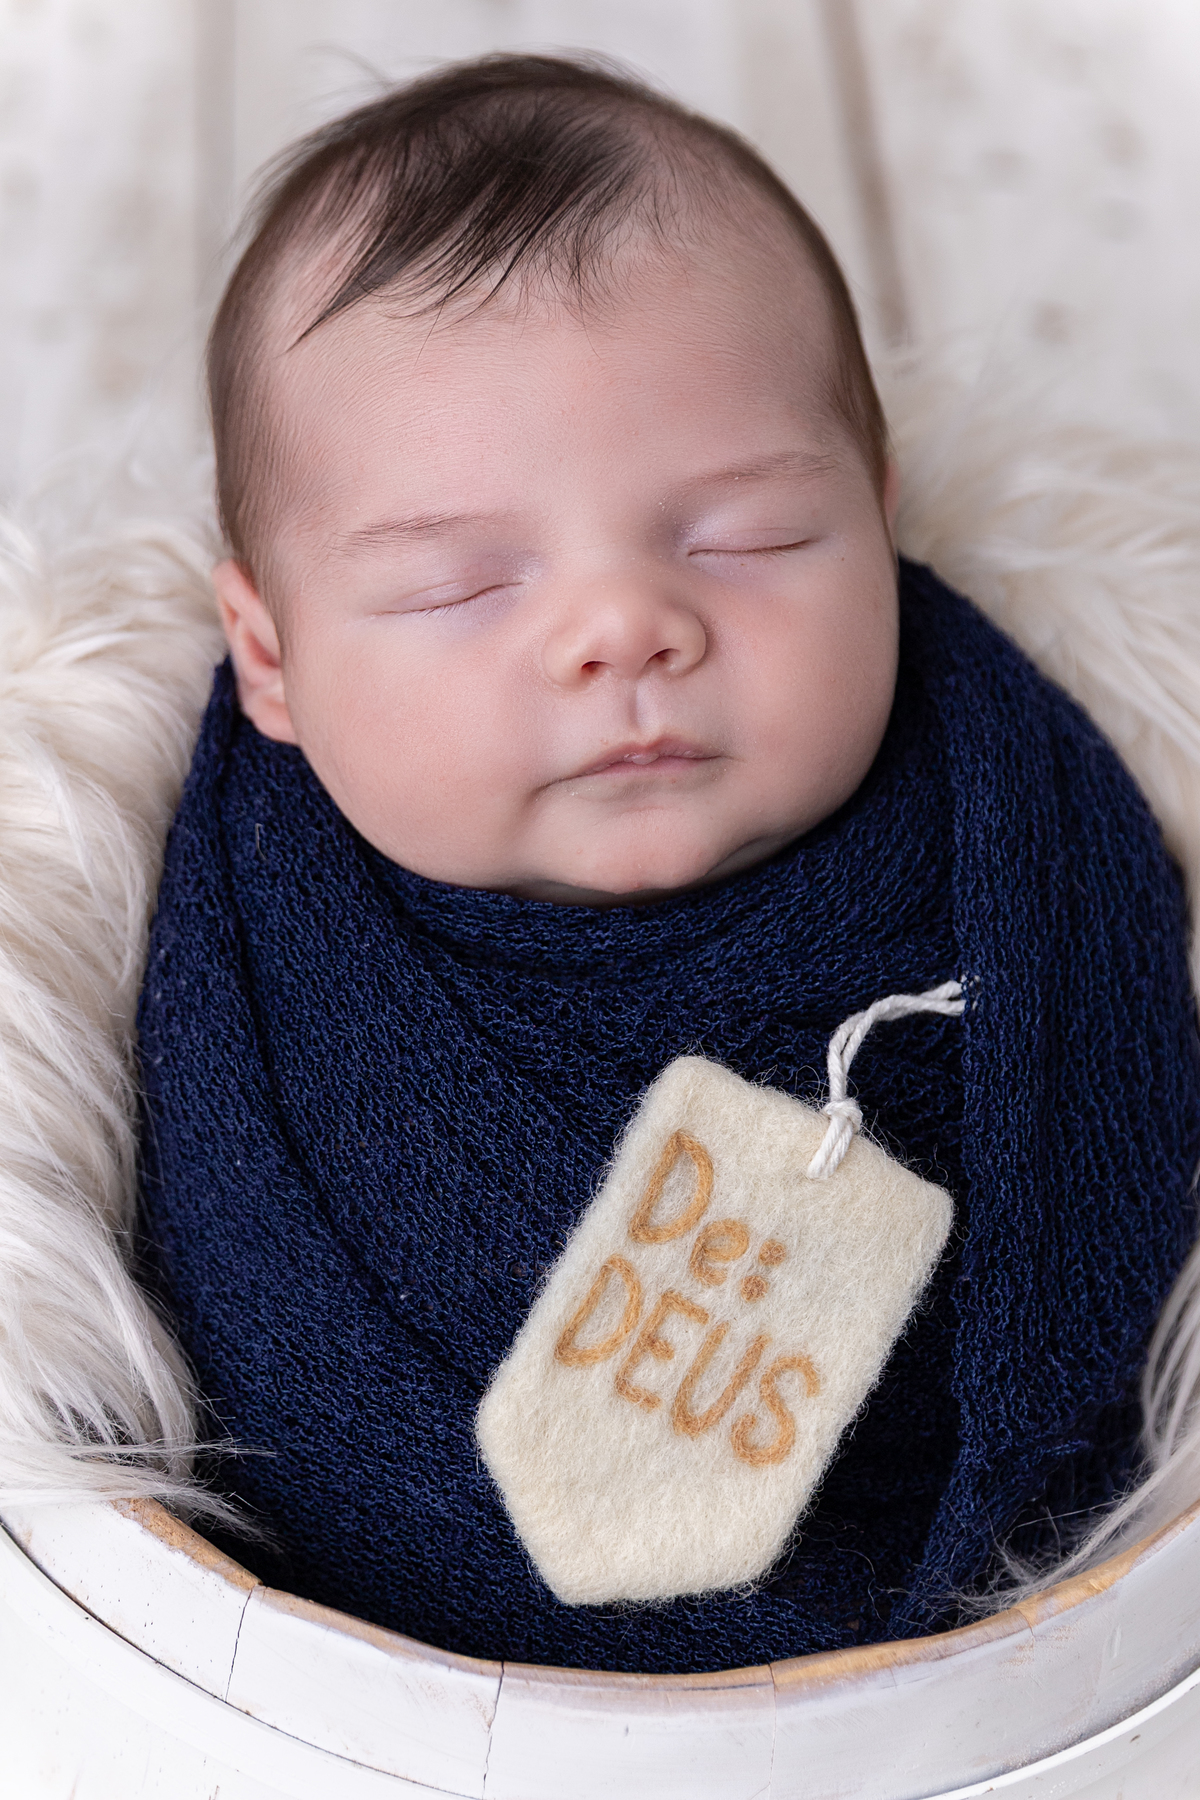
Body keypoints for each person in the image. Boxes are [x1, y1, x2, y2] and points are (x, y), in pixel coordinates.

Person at [135, 53, 1200, 1674]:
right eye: (454, 588)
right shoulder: (248, 949)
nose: (625, 626)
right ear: (269, 661)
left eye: (745, 538)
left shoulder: (1027, 838)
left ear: (882, 519)